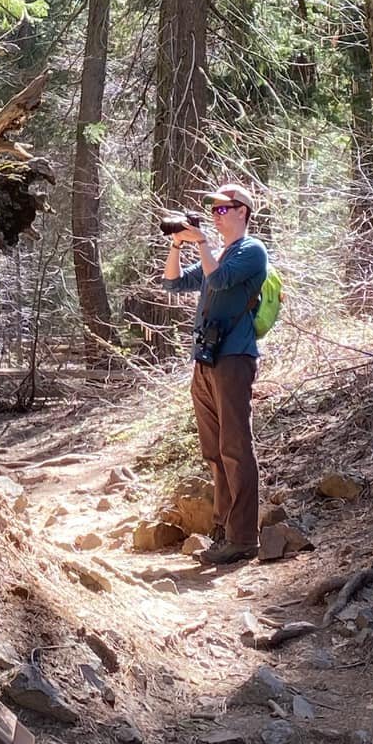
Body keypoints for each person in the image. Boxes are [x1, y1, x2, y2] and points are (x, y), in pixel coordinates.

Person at [160, 180, 269, 568]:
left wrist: (204, 244)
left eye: (224, 209)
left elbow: (220, 279)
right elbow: (172, 283)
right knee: (214, 451)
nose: (217, 215)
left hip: (234, 358)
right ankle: (223, 530)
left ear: (242, 211)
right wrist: (178, 242)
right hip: (205, 362)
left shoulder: (251, 251)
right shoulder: (218, 253)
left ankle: (243, 538)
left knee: (236, 448)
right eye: (214, 210)